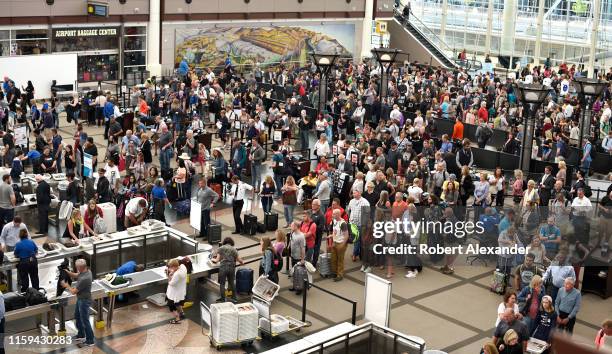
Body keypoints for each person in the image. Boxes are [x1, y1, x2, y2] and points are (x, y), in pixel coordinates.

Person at [60, 258, 95, 347]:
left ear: (80, 268)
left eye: (76, 267)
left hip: (84, 301)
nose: (76, 268)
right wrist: (68, 272)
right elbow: (77, 275)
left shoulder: (85, 278)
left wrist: (66, 285)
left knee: (85, 320)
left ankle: (90, 340)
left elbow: (73, 291)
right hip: (80, 299)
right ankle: (81, 334)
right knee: (77, 316)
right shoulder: (86, 271)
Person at [210, 237, 244, 302]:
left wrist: (212, 259)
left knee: (222, 284)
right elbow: (239, 260)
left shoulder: (221, 248)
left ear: (224, 242)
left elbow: (217, 260)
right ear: (231, 242)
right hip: (231, 268)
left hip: (223, 267)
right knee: (231, 283)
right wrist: (242, 262)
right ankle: (234, 298)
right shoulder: (234, 249)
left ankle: (223, 299)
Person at [165, 258, 187, 324]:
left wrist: (168, 275)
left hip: (173, 294)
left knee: (171, 306)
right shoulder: (183, 267)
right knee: (178, 303)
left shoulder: (177, 275)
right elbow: (177, 271)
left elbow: (171, 283)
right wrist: (173, 272)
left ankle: (177, 319)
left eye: (171, 267)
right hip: (181, 292)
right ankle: (182, 313)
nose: (170, 269)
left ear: (174, 266)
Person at [330, 209, 349, 281]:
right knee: (333, 259)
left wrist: (342, 245)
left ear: (338, 215)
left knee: (340, 260)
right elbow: (335, 232)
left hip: (341, 243)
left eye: (334, 214)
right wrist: (331, 236)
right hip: (335, 242)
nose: (332, 215)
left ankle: (340, 275)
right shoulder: (334, 221)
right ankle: (335, 272)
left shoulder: (343, 223)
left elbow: (346, 235)